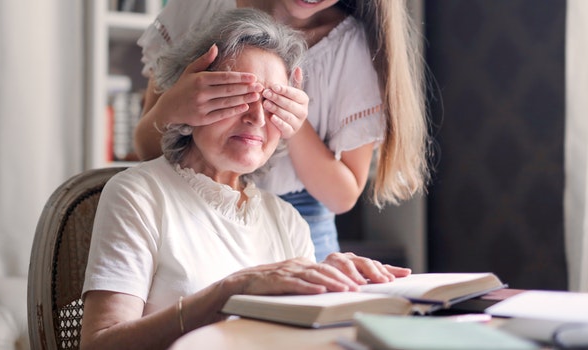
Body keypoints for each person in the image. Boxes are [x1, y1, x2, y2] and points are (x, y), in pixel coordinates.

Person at [80, 9, 411, 350]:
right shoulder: (137, 197)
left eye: (273, 104)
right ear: (194, 98)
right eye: (236, 95)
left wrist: (342, 289)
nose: (256, 117)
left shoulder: (289, 223)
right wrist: (233, 289)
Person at [133, 0, 430, 262]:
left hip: (302, 227)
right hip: (191, 211)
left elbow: (342, 196)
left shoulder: (353, 48)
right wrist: (170, 108)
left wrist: (293, 123)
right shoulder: (199, 7)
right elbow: (147, 149)